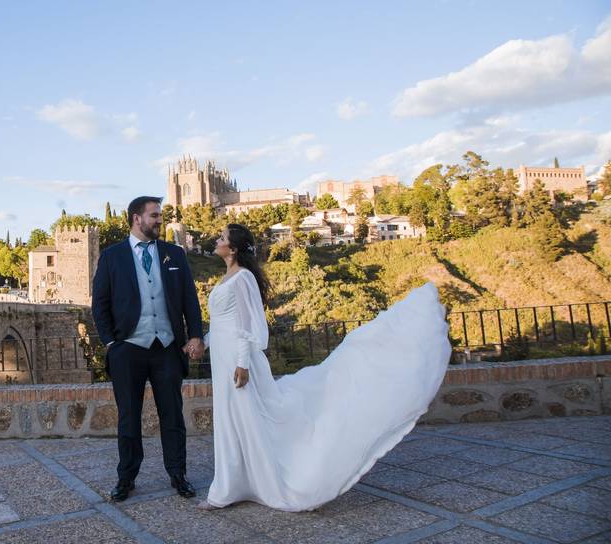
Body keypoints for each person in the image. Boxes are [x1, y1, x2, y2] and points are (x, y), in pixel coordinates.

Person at [198, 223, 450, 511]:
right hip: (223, 355)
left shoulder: (242, 278)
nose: (216, 241)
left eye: (221, 238)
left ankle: (236, 487)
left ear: (233, 249)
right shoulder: (227, 275)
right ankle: (236, 484)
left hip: (237, 360)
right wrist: (203, 344)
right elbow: (223, 324)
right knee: (232, 420)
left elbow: (249, 326)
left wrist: (243, 364)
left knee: (244, 417)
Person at [91, 196, 205, 502]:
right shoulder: (112, 256)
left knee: (173, 415)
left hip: (167, 348)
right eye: (154, 215)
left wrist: (196, 335)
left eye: (160, 215)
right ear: (136, 218)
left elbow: (189, 300)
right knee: (129, 416)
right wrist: (112, 343)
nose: (159, 220)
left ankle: (178, 474)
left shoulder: (174, 255)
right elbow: (99, 304)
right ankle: (126, 477)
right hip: (128, 349)